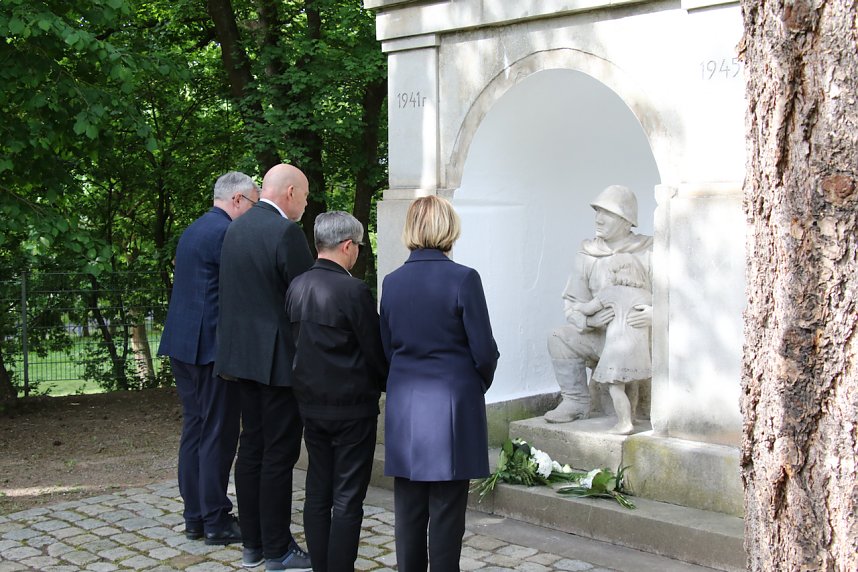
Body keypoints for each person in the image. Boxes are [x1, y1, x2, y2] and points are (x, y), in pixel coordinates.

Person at [380, 195, 499, 572]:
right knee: (447, 513)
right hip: (451, 406)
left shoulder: (392, 281)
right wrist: (474, 384)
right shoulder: (464, 278)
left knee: (408, 511)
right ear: (449, 228)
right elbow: (484, 351)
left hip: (405, 405)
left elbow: (388, 347)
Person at [216, 164, 314, 570]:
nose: (306, 204)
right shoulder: (285, 232)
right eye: (305, 196)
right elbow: (308, 296)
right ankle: (277, 549)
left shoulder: (234, 227)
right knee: (278, 455)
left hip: (240, 358)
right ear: (289, 192)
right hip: (277, 362)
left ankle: (253, 544)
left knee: (251, 449)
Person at [157, 171, 259, 545]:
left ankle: (195, 516)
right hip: (209, 349)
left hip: (183, 345)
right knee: (218, 432)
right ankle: (216, 519)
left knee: (196, 430)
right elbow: (241, 291)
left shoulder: (195, 228)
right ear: (237, 200)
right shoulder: (226, 233)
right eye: (253, 203)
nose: (253, 210)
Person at [285, 211, 388, 572]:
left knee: (317, 489)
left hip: (311, 405)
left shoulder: (296, 285)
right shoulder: (354, 290)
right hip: (352, 409)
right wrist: (385, 383)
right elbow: (373, 350)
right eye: (358, 246)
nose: (359, 251)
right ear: (347, 246)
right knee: (347, 497)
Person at [544, 184, 653, 434]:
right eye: (597, 212)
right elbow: (572, 304)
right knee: (558, 338)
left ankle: (638, 414)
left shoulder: (649, 252)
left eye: (607, 213)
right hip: (601, 338)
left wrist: (653, 316)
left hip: (640, 339)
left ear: (626, 220)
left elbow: (673, 299)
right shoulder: (588, 255)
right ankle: (575, 401)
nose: (598, 219)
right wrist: (590, 322)